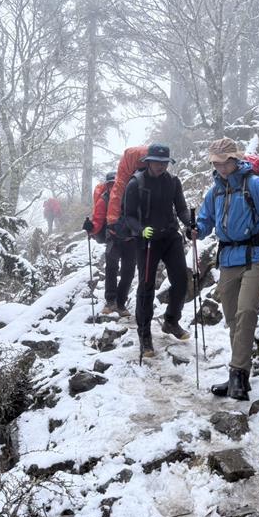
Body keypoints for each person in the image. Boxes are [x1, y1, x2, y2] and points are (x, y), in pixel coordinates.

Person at [192, 138, 259, 400]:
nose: (221, 168)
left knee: (247, 312)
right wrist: (195, 230)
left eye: (225, 162)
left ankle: (238, 375)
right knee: (233, 318)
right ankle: (240, 375)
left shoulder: (255, 184)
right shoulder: (215, 192)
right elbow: (205, 221)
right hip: (227, 260)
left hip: (255, 256)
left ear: (236, 159)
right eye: (216, 163)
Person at [122, 143, 193, 357]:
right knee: (146, 286)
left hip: (170, 236)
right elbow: (129, 216)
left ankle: (171, 321)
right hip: (147, 240)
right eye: (157, 162)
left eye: (164, 163)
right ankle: (144, 335)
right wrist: (141, 230)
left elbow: (180, 208)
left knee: (181, 279)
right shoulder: (136, 183)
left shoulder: (173, 182)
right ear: (148, 161)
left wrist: (190, 223)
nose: (161, 166)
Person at [82, 171, 133, 317]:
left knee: (128, 272)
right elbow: (98, 220)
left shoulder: (131, 195)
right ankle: (111, 301)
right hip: (113, 237)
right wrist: (90, 227)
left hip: (131, 239)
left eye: (116, 184)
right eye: (111, 184)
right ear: (108, 185)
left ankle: (121, 303)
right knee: (111, 268)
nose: (114, 187)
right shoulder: (103, 200)